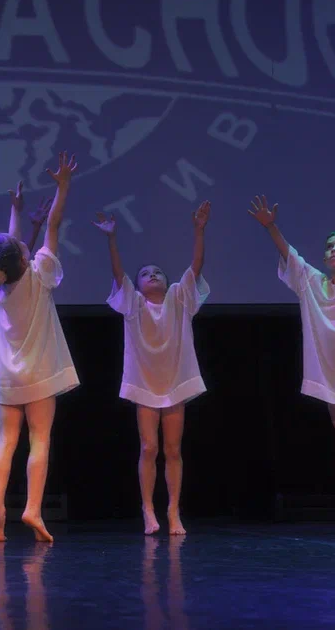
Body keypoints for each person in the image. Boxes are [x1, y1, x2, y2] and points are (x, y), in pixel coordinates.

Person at [248, 177, 335, 535]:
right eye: (329, 246)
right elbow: (290, 256)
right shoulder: (312, 283)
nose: (333, 250)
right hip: (332, 372)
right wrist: (271, 227)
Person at [92, 201, 211, 535]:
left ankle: (173, 510)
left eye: (157, 272)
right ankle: (148, 509)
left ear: (168, 281)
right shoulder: (133, 303)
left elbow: (196, 267)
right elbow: (119, 275)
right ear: (139, 284)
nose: (153, 275)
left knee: (173, 449)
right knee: (149, 447)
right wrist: (111, 238)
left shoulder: (179, 298)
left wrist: (199, 231)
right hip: (145, 381)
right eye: (145, 273)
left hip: (175, 379)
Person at [0, 153, 80, 542]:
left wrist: (15, 210)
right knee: (39, 439)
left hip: (9, 377)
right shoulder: (40, 273)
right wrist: (63, 187)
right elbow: (52, 225)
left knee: (6, 441)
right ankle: (33, 509)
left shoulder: (1, 287)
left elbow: (7, 249)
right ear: (24, 257)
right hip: (39, 374)